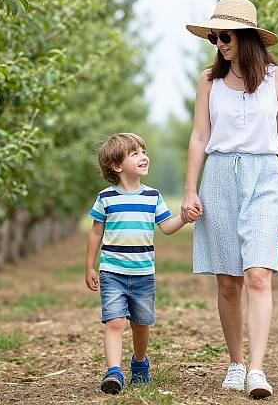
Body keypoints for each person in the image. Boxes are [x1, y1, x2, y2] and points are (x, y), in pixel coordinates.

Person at [181, 0, 278, 398]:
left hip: (264, 177)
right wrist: (190, 188)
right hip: (220, 175)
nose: (219, 43)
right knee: (227, 282)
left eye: (225, 36)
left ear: (246, 37)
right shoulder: (209, 81)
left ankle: (257, 369)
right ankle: (235, 363)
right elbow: (199, 136)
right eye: (214, 38)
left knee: (258, 274)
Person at [85, 132, 198, 394]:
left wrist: (184, 218)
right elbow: (95, 232)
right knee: (114, 321)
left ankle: (139, 363)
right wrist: (89, 266)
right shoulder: (106, 198)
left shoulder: (152, 197)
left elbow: (167, 227)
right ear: (116, 165)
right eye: (134, 153)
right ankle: (113, 371)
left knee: (141, 324)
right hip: (112, 271)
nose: (143, 157)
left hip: (143, 273)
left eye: (143, 152)